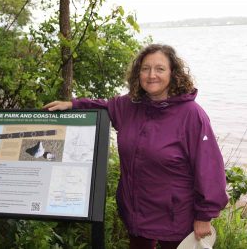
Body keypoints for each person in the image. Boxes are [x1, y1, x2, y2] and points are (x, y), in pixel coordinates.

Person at [43, 44, 228, 249]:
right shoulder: (130, 105)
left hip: (176, 216)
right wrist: (73, 105)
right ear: (138, 73)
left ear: (173, 73)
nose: (151, 75)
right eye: (145, 68)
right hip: (136, 213)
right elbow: (104, 105)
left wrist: (205, 215)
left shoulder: (192, 114)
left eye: (160, 69)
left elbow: (209, 167)